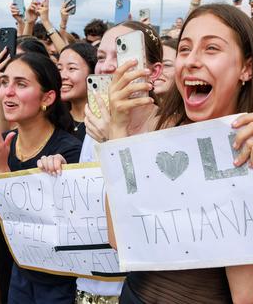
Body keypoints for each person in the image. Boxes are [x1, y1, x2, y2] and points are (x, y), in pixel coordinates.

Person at [109, 4, 253, 303]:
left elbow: (247, 295)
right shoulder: (156, 136)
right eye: (185, 49)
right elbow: (119, 240)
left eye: (211, 48)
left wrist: (248, 187)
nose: (191, 61)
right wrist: (118, 133)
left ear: (246, 68)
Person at [40, 20, 165, 304]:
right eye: (101, 57)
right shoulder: (95, 124)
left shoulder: (168, 130)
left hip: (140, 291)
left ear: (154, 71)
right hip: (89, 285)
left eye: (120, 55)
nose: (107, 66)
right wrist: (63, 172)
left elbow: (141, 225)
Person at [0, 51, 82, 304]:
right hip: (19, 270)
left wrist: (0, 171)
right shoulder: (8, 146)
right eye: (5, 83)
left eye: (21, 84)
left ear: (47, 97)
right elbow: (4, 218)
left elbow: (36, 223)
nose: (7, 92)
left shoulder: (68, 151)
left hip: (59, 280)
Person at [57, 42, 97, 141]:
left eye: (71, 68)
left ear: (92, 72)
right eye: (59, 69)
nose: (62, 76)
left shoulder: (105, 122)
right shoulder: (53, 119)